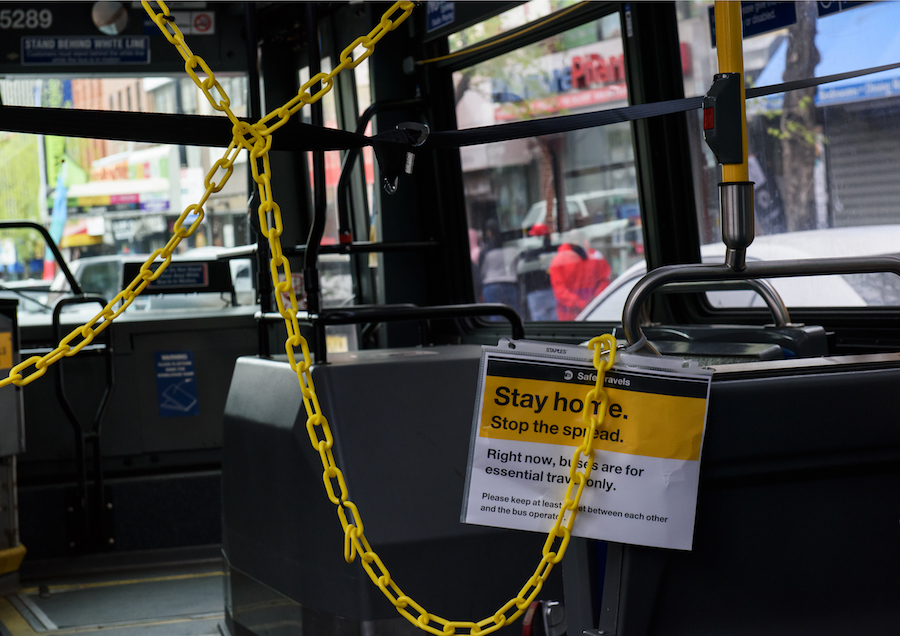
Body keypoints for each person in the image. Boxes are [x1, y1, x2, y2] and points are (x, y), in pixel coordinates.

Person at [549, 242, 611, 320]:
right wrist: (581, 303)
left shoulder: (595, 255)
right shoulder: (559, 259)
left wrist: (596, 299)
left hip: (596, 310)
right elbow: (560, 290)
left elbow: (604, 280)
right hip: (570, 315)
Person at [515, 223, 557, 320]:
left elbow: (523, 276)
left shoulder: (528, 254)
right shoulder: (552, 250)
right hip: (549, 291)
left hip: (537, 293)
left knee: (540, 327)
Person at [479, 219, 519, 317]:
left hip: (491, 285)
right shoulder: (511, 247)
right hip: (510, 283)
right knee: (514, 316)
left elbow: (482, 271)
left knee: (495, 317)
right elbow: (516, 265)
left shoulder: (486, 250)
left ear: (489, 232)